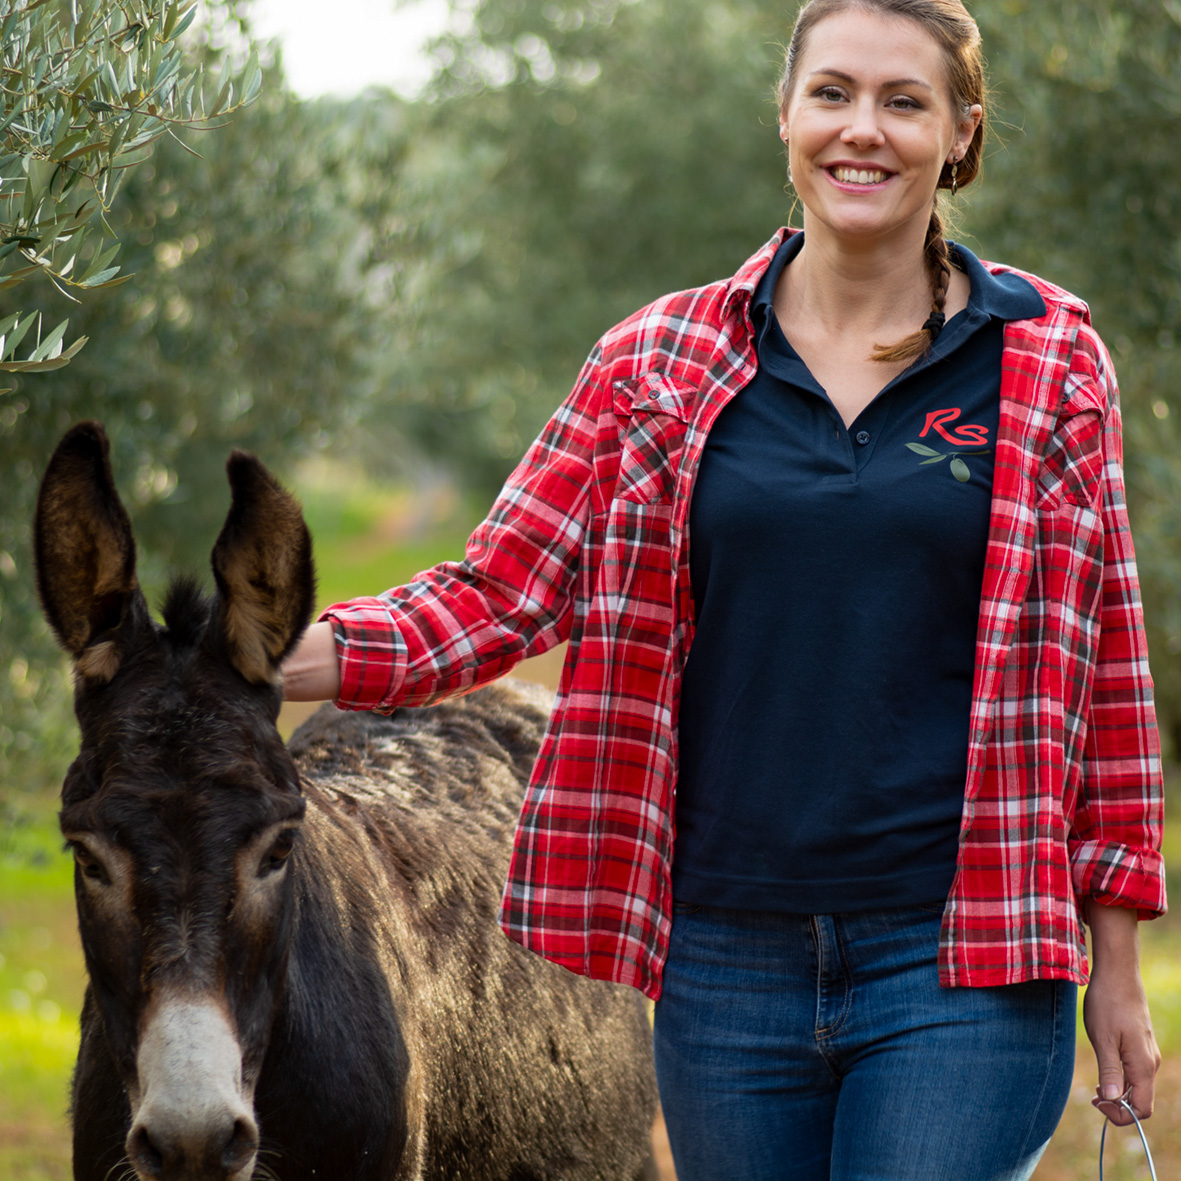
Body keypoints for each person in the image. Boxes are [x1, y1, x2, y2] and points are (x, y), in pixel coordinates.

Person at [283, 1, 1165, 1176]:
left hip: (965, 952)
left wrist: (1116, 968)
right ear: (788, 118)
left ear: (960, 133)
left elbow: (1107, 667)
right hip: (723, 960)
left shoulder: (1047, 359)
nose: (863, 130)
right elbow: (503, 586)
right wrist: (287, 653)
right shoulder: (654, 362)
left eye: (903, 102)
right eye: (833, 94)